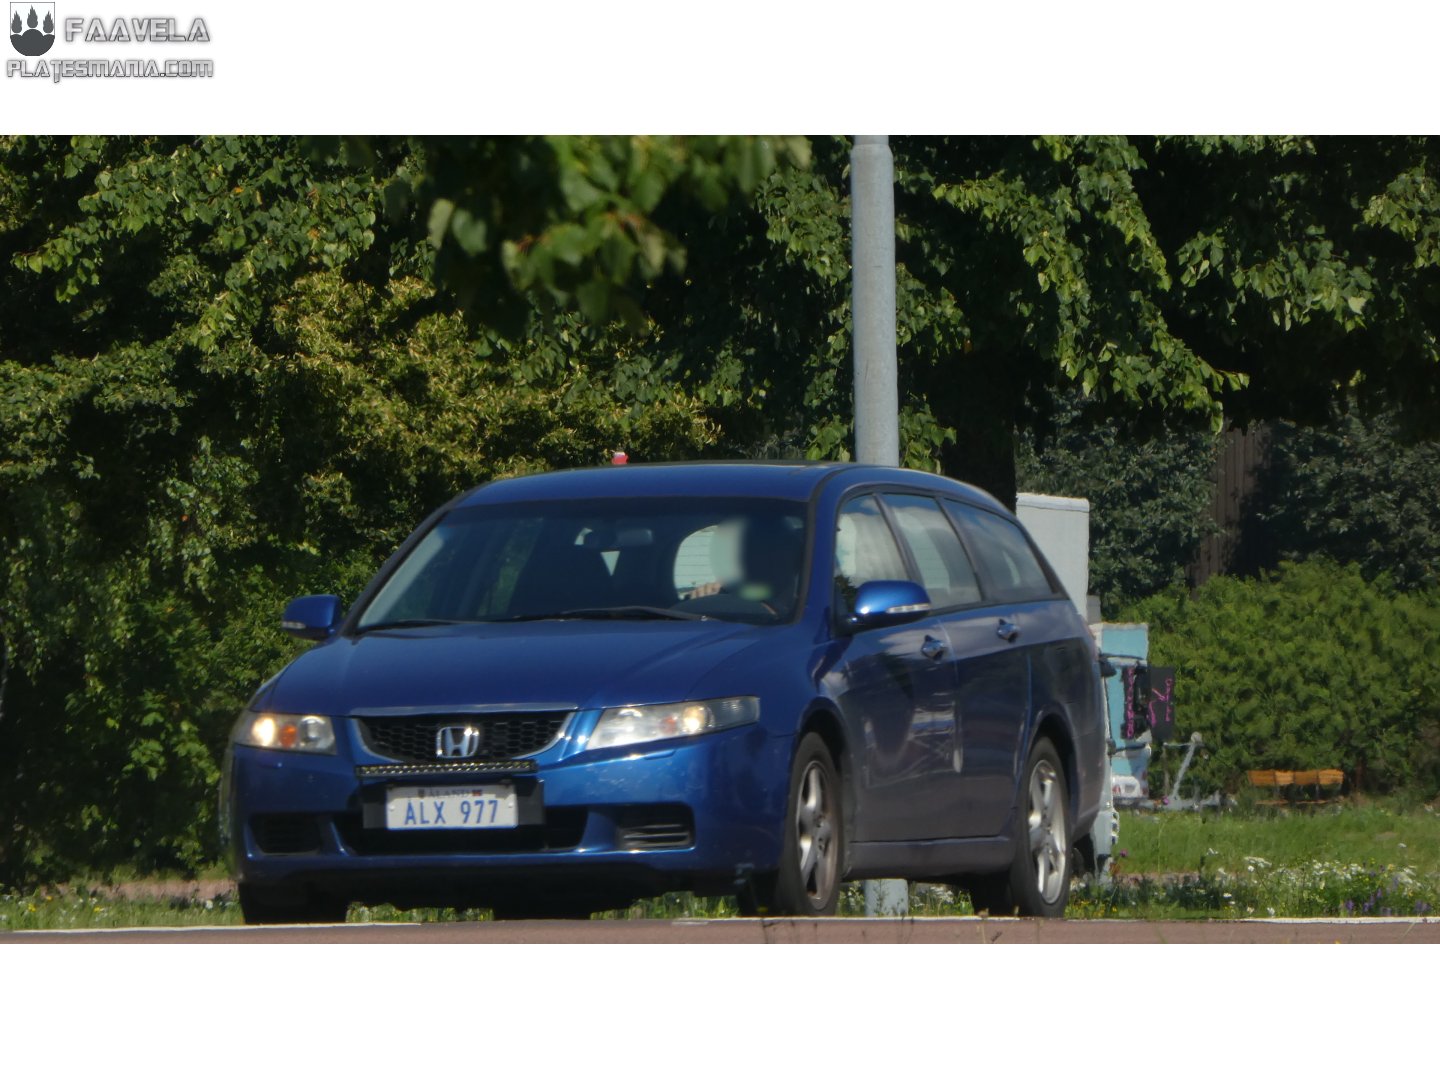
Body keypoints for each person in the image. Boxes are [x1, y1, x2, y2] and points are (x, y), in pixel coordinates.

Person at [683, 515, 802, 615]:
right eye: (748, 551)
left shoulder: (813, 599)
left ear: (796, 553)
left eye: (772, 549)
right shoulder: (728, 594)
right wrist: (703, 599)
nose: (758, 559)